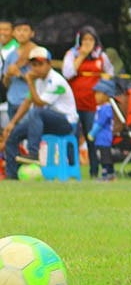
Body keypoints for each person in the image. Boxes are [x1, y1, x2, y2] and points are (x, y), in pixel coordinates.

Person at [1, 47, 77, 179]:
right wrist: (12, 123)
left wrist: (29, 81)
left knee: (37, 112)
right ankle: (12, 175)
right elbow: (27, 102)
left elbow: (39, 104)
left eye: (40, 64)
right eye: (33, 65)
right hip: (46, 121)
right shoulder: (38, 81)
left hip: (66, 123)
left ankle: (33, 153)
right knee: (13, 134)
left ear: (49, 64)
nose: (36, 68)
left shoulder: (55, 81)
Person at [62, 26, 115, 178]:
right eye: (84, 39)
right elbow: (68, 73)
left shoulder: (101, 56)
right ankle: (72, 170)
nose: (87, 43)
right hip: (73, 104)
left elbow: (109, 73)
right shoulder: (72, 54)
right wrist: (82, 55)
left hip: (92, 104)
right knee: (72, 135)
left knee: (92, 137)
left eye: (90, 39)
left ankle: (94, 171)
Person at [2, 18, 37, 121]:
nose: (21, 33)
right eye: (18, 30)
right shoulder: (10, 56)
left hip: (29, 102)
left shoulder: (37, 53)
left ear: (32, 33)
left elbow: (40, 80)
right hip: (12, 101)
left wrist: (19, 74)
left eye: (25, 30)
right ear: (13, 33)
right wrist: (8, 75)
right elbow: (6, 83)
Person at [88, 79, 120, 182]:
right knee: (101, 156)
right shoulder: (101, 108)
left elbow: (100, 123)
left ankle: (107, 173)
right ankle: (108, 173)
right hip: (100, 138)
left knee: (104, 156)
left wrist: (93, 133)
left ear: (107, 95)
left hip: (104, 138)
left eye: (98, 93)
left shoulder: (106, 109)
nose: (95, 96)